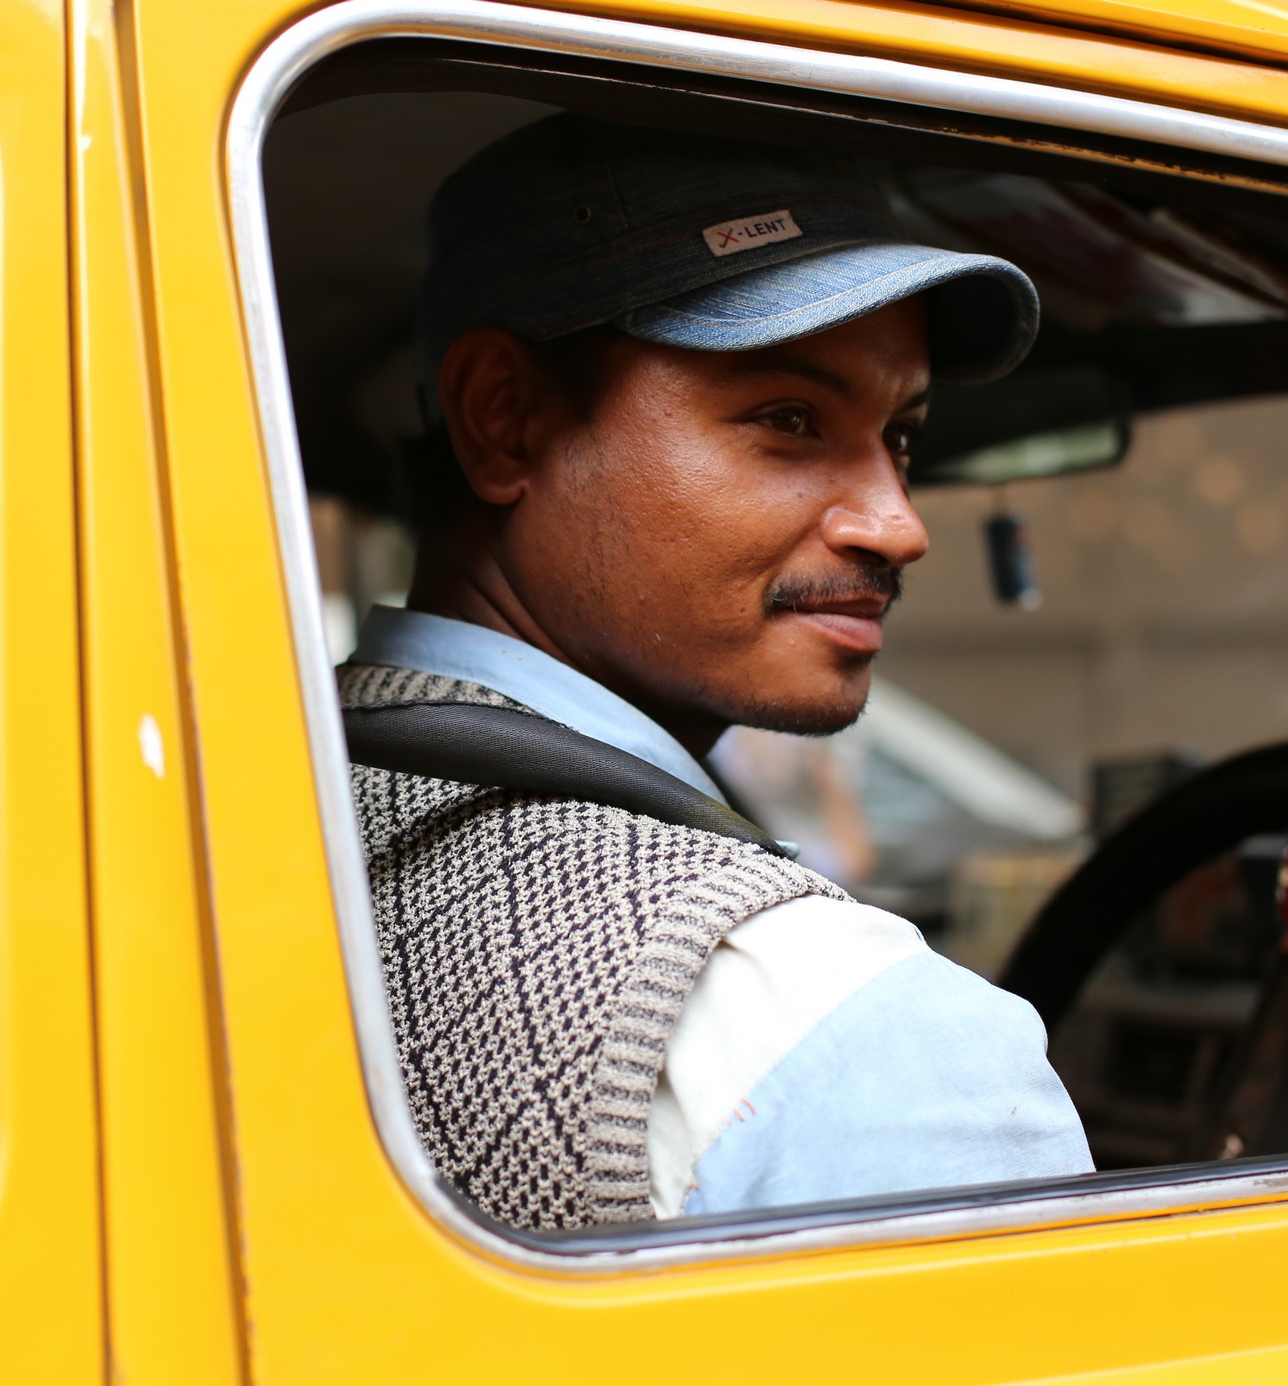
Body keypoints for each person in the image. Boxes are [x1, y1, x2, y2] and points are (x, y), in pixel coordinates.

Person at [340, 113, 1092, 1233]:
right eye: (788, 419)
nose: (899, 524)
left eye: (900, 437)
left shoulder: (269, 812)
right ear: (505, 421)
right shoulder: (854, 1037)